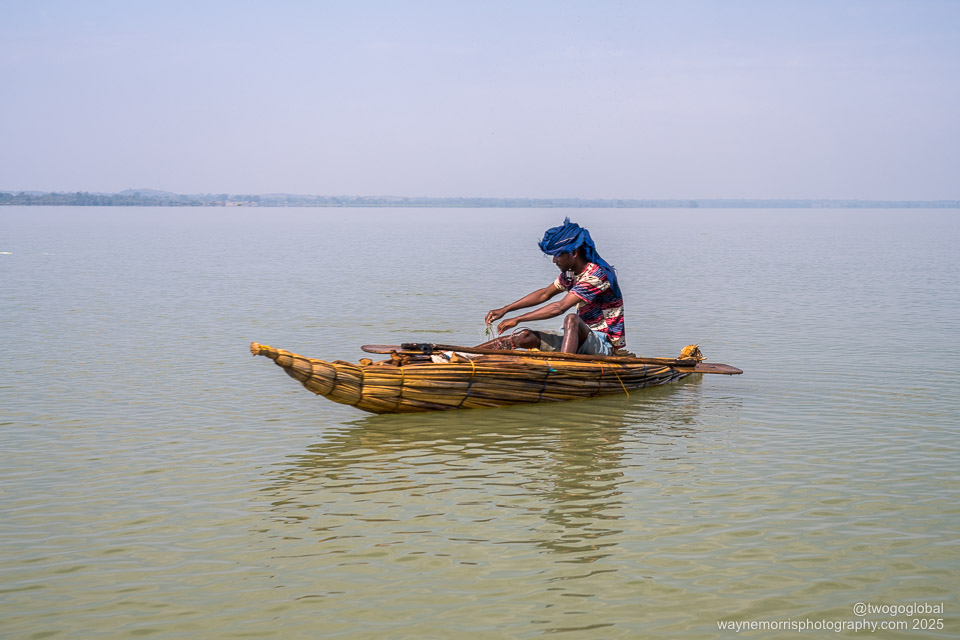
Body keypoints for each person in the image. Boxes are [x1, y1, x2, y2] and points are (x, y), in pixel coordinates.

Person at [479, 218, 626, 355]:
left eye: (557, 255)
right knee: (524, 337)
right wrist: (506, 309)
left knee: (571, 319)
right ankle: (462, 355)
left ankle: (562, 366)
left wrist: (518, 319)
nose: (554, 261)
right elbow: (544, 294)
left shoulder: (595, 275)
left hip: (603, 343)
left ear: (573, 253)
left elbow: (559, 307)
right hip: (577, 337)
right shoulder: (570, 274)